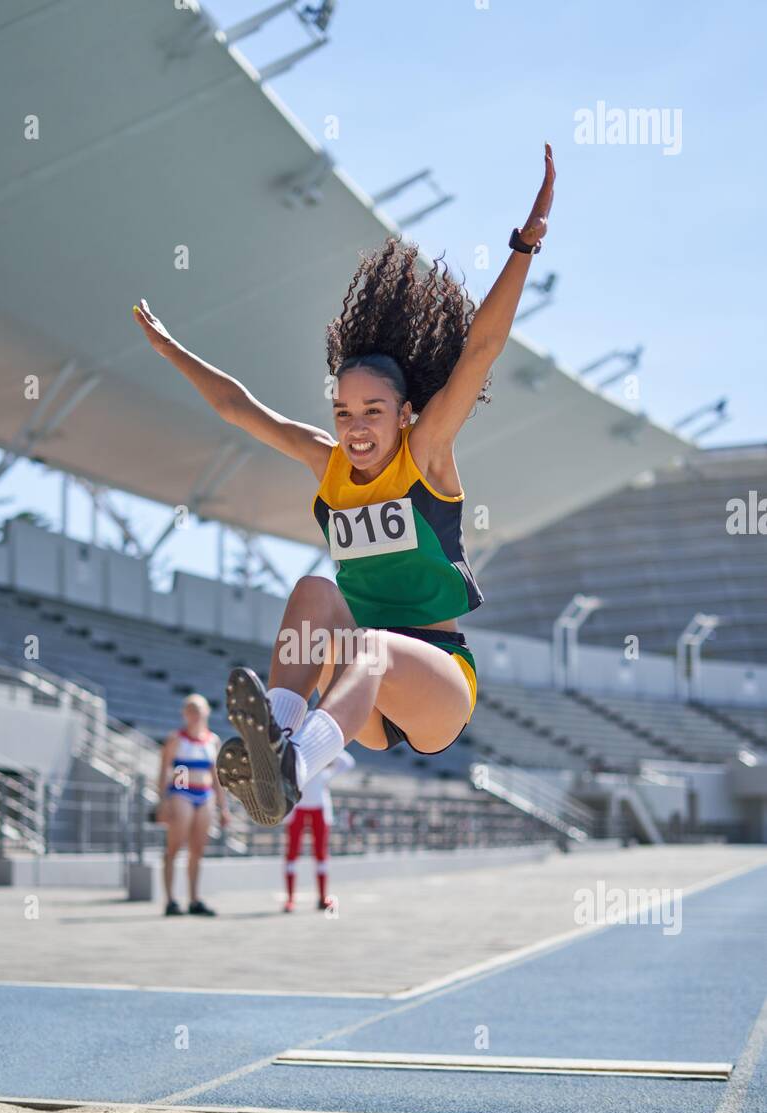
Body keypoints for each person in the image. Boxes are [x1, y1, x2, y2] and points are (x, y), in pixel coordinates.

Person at [134, 145, 555, 826]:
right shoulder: (325, 462)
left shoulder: (425, 454)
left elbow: (479, 350)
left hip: (434, 683)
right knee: (312, 591)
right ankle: (275, 739)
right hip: (358, 698)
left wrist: (522, 247)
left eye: (372, 412)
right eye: (343, 412)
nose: (355, 428)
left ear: (404, 414)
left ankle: (296, 763)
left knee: (370, 645)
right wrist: (170, 351)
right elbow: (240, 409)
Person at [156, 694, 229, 916]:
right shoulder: (176, 739)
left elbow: (216, 776)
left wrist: (223, 807)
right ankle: (170, 899)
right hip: (181, 792)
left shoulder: (212, 740)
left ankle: (194, 898)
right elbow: (164, 770)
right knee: (174, 847)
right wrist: (163, 802)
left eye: (198, 709)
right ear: (184, 714)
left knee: (198, 849)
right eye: (190, 709)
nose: (194, 714)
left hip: (204, 794)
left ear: (206, 712)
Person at [283, 747, 355, 912]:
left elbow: (348, 762)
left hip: (320, 810)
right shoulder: (297, 761)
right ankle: (290, 898)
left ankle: (322, 897)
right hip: (297, 808)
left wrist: (326, 746)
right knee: (292, 852)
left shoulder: (324, 771)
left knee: (321, 853)